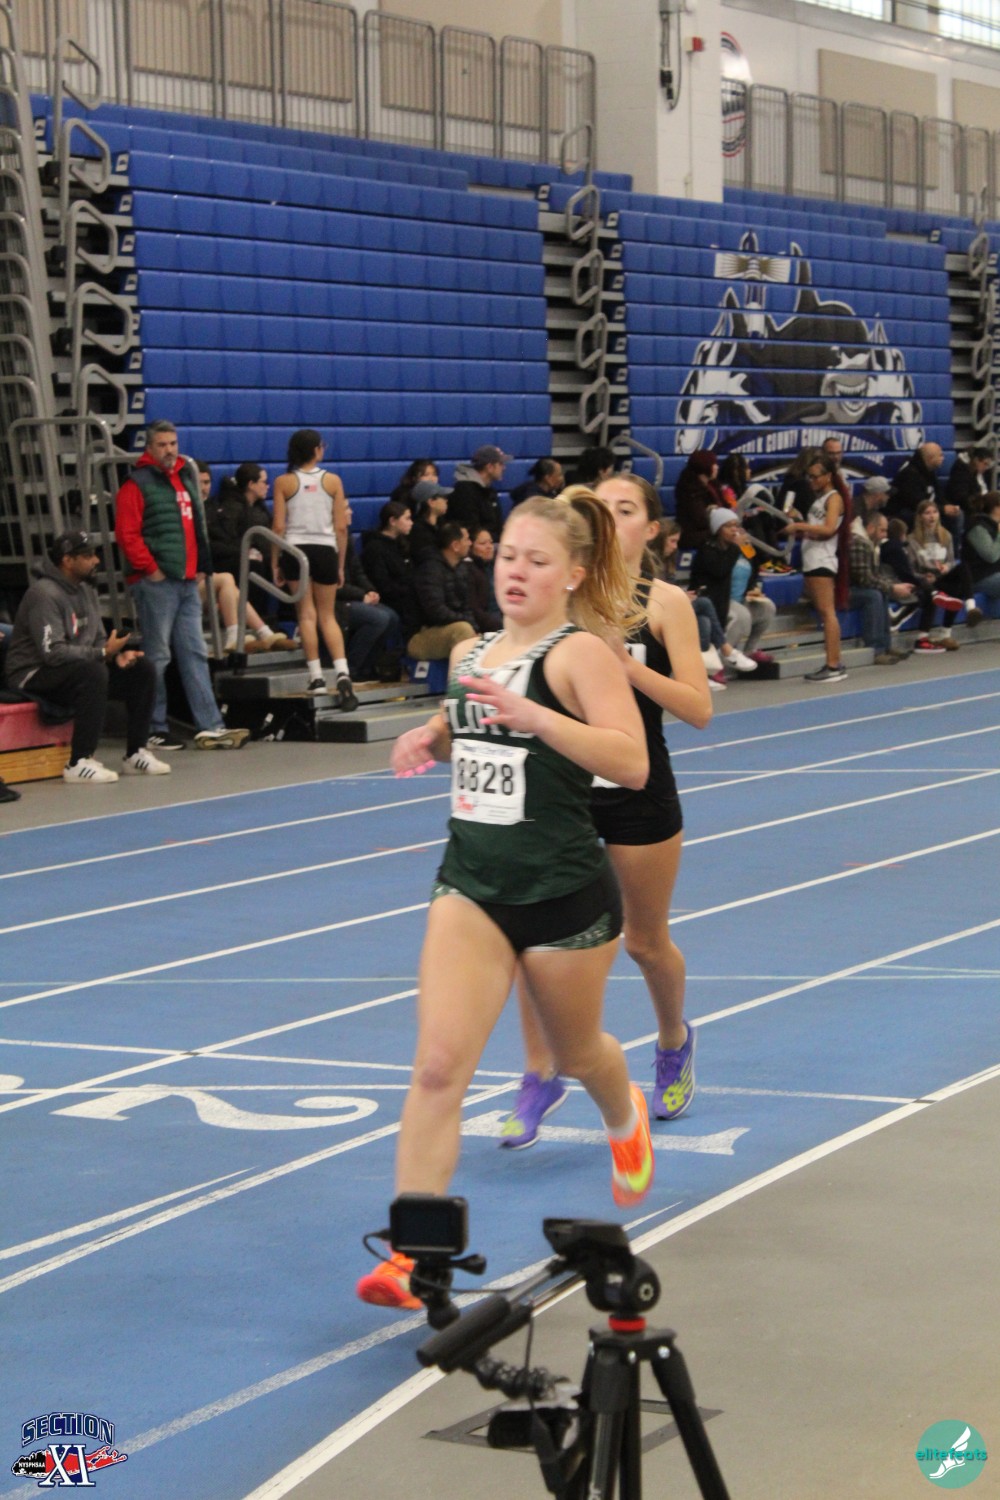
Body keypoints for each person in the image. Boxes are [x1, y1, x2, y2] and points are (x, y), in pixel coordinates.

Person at [356, 491, 654, 1310]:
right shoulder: (470, 653)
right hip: (473, 884)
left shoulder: (580, 655)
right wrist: (431, 735)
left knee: (578, 1053)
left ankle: (623, 1113)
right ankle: (413, 1258)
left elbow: (630, 763)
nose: (516, 572)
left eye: (537, 561)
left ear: (573, 574)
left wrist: (539, 718)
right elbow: (468, 723)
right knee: (437, 1067)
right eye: (508, 557)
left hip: (563, 893)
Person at [498, 473, 712, 1151]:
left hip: (638, 791)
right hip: (562, 792)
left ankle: (673, 1038)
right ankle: (539, 1073)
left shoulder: (664, 603)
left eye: (627, 509)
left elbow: (700, 708)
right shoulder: (554, 600)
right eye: (603, 507)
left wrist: (628, 667)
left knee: (645, 942)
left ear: (651, 528)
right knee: (537, 942)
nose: (610, 518)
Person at [115, 420, 249, 751]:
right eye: (162, 444)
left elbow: (196, 527)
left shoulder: (184, 478)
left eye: (173, 443)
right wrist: (151, 569)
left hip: (187, 580)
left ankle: (210, 725)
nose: (169, 450)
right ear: (149, 448)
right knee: (158, 656)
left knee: (194, 653)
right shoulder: (136, 484)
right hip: (157, 582)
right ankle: (153, 727)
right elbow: (127, 534)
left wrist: (202, 565)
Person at [3, 530, 169, 782]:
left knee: (141, 668)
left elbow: (98, 638)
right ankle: (78, 761)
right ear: (67, 560)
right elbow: (53, 653)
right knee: (92, 672)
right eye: (88, 555)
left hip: (74, 668)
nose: (96, 560)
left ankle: (135, 753)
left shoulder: (86, 589)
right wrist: (101, 653)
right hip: (32, 674)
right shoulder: (44, 594)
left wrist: (115, 656)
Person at [271, 429, 358, 708]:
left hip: (295, 551)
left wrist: (275, 561)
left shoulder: (283, 482)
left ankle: (317, 677)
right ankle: (342, 672)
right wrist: (340, 564)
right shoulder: (332, 481)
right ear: (317, 450)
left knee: (306, 615)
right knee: (327, 616)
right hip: (325, 550)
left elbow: (278, 527)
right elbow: (341, 527)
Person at [197, 462, 295, 654]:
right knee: (231, 577)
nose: (203, 488)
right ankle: (242, 635)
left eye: (207, 482)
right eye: (198, 483)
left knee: (232, 585)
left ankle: (262, 632)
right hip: (187, 580)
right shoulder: (215, 509)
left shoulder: (214, 507)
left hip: (204, 574)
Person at [782, 455, 847, 683]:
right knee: (824, 612)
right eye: (809, 477)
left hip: (822, 560)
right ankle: (832, 663)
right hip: (812, 559)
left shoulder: (834, 498)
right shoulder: (820, 499)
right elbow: (816, 527)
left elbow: (828, 529)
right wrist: (799, 518)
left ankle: (833, 664)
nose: (811, 481)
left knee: (827, 612)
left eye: (815, 476)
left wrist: (799, 525)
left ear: (828, 476)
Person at [689, 511, 764, 675]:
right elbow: (720, 570)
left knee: (767, 608)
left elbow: (754, 568)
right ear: (718, 529)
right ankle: (723, 658)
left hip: (732, 599)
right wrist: (736, 547)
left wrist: (752, 587)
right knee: (741, 616)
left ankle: (749, 650)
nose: (734, 530)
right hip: (711, 601)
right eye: (728, 526)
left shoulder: (736, 548)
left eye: (736, 525)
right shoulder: (707, 549)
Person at [335, 501, 400, 681]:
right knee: (378, 618)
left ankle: (367, 666)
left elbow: (358, 570)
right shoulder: (327, 542)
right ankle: (351, 667)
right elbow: (333, 584)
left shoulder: (347, 537)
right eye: (346, 508)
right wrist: (361, 595)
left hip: (352, 595)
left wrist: (370, 590)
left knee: (392, 617)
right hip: (335, 601)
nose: (351, 511)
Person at [847, 514, 916, 664]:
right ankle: (876, 650)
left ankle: (886, 645)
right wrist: (892, 588)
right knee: (874, 596)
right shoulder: (858, 543)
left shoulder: (872, 544)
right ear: (871, 528)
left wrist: (891, 586)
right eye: (882, 531)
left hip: (855, 588)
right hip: (843, 592)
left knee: (881, 592)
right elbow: (864, 579)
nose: (885, 535)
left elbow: (875, 576)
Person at [907, 499, 983, 631]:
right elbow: (910, 569)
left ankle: (971, 608)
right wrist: (924, 576)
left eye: (935, 512)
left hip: (942, 577)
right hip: (926, 581)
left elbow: (951, 561)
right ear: (920, 517)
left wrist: (947, 567)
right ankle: (938, 632)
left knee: (963, 568)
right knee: (950, 590)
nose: (932, 516)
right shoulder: (912, 540)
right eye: (927, 513)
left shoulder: (946, 535)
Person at [407, 522, 478, 661]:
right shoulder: (429, 569)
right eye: (466, 539)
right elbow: (436, 612)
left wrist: (475, 628)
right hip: (421, 634)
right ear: (455, 545)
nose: (470, 543)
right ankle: (464, 676)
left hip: (452, 627)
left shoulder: (461, 568)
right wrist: (467, 622)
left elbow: (467, 606)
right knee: (463, 630)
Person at [361, 501, 422, 643]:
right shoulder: (375, 549)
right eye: (407, 518)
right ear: (393, 521)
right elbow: (383, 585)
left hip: (405, 596)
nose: (411, 523)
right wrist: (411, 590)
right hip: (391, 600)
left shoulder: (402, 544)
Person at [447, 445, 510, 540]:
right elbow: (470, 530)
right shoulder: (464, 491)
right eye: (500, 464)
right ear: (489, 467)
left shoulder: (489, 491)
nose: (504, 468)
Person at [674, 451, 726, 551]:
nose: (717, 467)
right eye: (714, 464)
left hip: (714, 528)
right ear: (705, 467)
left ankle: (752, 558)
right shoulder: (689, 490)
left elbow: (723, 506)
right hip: (695, 534)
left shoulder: (713, 485)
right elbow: (701, 520)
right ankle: (747, 557)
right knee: (731, 535)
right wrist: (714, 512)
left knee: (740, 533)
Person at [887, 443, 944, 531]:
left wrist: (946, 506)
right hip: (906, 511)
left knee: (955, 515)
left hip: (927, 508)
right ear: (930, 458)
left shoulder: (930, 472)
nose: (943, 458)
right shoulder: (909, 474)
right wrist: (942, 509)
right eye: (940, 455)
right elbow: (914, 502)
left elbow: (938, 494)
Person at [962, 491, 1000, 608]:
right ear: (996, 508)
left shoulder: (995, 526)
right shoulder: (977, 527)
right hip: (978, 577)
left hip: (994, 573)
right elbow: (991, 556)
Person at [463, 527, 501, 634]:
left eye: (491, 542)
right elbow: (475, 610)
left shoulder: (496, 566)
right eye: (483, 543)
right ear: (471, 547)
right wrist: (502, 625)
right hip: (490, 625)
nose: (489, 547)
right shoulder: (468, 570)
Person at [407, 480, 452, 565]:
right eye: (443, 497)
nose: (446, 500)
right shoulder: (418, 531)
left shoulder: (442, 524)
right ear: (431, 502)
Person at [945, 446, 991, 522]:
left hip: (971, 505)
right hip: (961, 506)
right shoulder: (960, 470)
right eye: (985, 464)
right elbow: (960, 496)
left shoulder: (977, 472)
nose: (986, 467)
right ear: (976, 460)